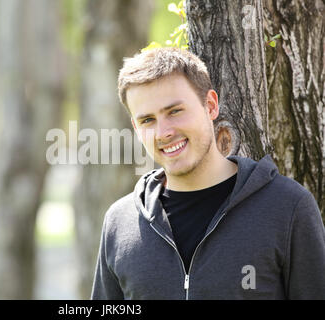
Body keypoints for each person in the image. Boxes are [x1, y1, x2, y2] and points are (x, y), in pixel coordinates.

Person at [91, 47, 325, 300]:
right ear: (136, 128)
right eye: (148, 120)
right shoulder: (119, 222)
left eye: (175, 111)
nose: (163, 132)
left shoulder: (288, 208)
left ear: (210, 106)